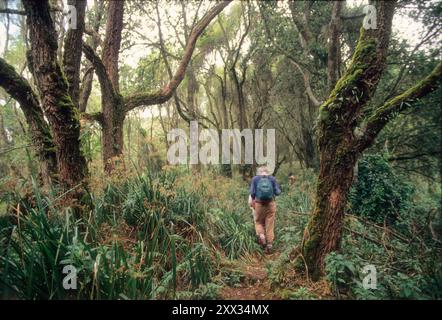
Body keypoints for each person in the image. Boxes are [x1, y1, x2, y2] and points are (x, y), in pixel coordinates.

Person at [249, 166, 281, 253]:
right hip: (270, 204)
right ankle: (270, 244)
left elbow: (252, 193)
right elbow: (278, 192)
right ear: (268, 172)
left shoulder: (255, 179)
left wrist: (253, 199)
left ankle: (262, 236)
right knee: (270, 224)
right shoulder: (272, 179)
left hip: (259, 204)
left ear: (258, 172)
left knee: (258, 222)